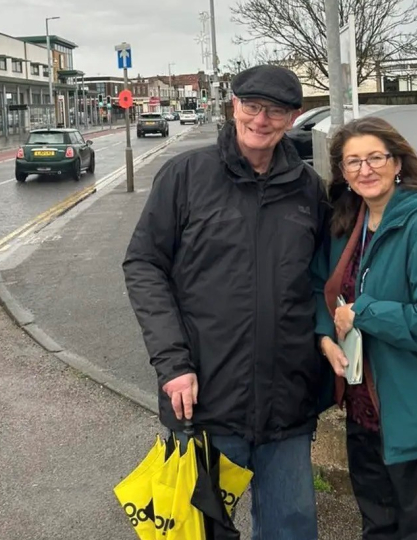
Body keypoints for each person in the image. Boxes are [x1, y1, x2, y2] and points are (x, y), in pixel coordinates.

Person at [122, 65, 330, 540]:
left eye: (276, 110)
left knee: (292, 529)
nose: (262, 119)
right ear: (233, 105)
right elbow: (144, 265)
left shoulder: (308, 190)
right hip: (206, 397)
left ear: (293, 117)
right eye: (252, 106)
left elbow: (323, 281)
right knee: (203, 531)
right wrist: (173, 364)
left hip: (288, 402)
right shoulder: (186, 177)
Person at [313, 116, 417, 540]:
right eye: (353, 162)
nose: (364, 170)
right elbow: (323, 286)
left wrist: (363, 313)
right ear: (343, 173)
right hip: (364, 410)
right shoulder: (348, 224)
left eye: (375, 157)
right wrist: (323, 336)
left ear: (398, 162)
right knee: (379, 528)